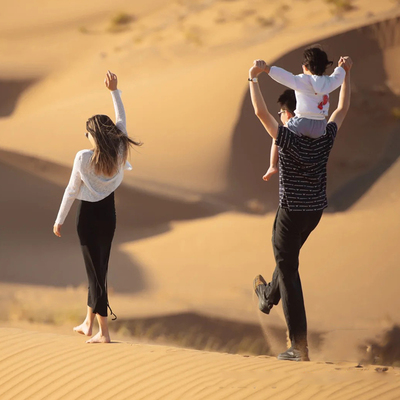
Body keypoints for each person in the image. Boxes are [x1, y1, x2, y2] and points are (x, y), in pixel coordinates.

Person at [249, 56, 352, 361]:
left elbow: (259, 112)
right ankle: (267, 296)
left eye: (284, 112)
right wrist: (346, 75)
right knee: (287, 261)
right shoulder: (325, 138)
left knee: (289, 269)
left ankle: (299, 347)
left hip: (291, 211)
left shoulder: (288, 139)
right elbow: (341, 109)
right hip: (314, 212)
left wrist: (252, 79)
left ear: (294, 112)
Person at [53, 71, 142, 343]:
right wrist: (114, 91)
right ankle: (87, 324)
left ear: (93, 135)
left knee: (95, 274)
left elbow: (71, 191)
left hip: (88, 218)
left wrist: (59, 220)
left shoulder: (83, 158)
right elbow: (122, 120)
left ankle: (104, 333)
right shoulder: (119, 152)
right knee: (99, 268)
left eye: (87, 133)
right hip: (109, 215)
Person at [262, 46, 346, 181]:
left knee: (278, 134)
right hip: (320, 127)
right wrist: (341, 68)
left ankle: (272, 165)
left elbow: (284, 76)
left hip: (302, 123)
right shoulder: (328, 82)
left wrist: (267, 69)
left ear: (305, 67)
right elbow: (339, 77)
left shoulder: (302, 80)